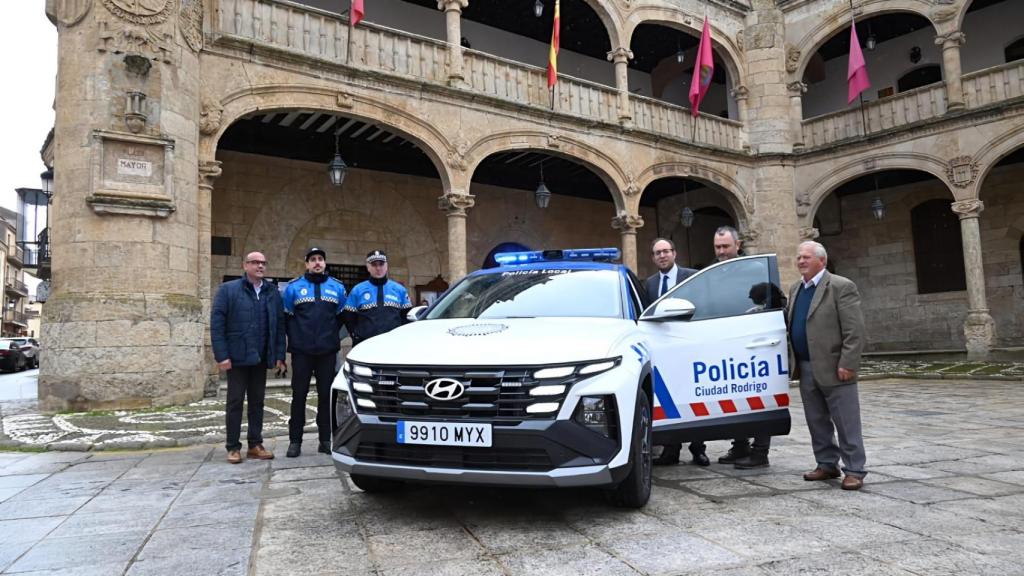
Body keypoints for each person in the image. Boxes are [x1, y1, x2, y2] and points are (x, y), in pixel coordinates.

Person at [788, 241, 867, 490]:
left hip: (835, 366)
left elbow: (855, 330)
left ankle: (854, 469)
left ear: (821, 260)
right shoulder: (795, 289)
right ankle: (826, 463)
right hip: (806, 366)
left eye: (806, 257)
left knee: (846, 420)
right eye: (799, 257)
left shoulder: (840, 286)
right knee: (816, 419)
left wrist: (848, 362)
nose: (801, 261)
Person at [210, 251, 286, 464]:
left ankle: (255, 444)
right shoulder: (228, 290)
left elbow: (279, 326)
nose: (260, 266)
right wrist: (222, 355)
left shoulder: (272, 292)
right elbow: (217, 325)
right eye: (255, 262)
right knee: (234, 402)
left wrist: (279, 354)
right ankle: (233, 447)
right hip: (237, 358)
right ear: (245, 266)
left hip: (261, 357)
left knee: (257, 402)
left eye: (263, 263)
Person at [709, 226, 773, 469]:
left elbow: (768, 302)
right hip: (726, 342)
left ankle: (760, 452)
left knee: (758, 398)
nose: (722, 251)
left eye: (726, 246)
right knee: (734, 397)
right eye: (718, 247)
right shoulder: (713, 270)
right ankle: (740, 446)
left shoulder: (755, 269)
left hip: (753, 343)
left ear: (738, 245)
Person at [644, 238, 708, 467]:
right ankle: (671, 451)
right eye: (657, 253)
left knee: (694, 397)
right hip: (663, 351)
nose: (662, 256)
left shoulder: (691, 276)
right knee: (669, 400)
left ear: (674, 253)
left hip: (689, 347)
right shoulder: (650, 284)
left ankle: (698, 449)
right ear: (653, 258)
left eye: (666, 251)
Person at [282, 247, 347, 458]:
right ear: (306, 264)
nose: (317, 263)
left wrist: (329, 338)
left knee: (326, 397)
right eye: (313, 260)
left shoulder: (337, 288)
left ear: (325, 263)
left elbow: (341, 318)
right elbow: (287, 319)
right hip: (301, 353)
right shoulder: (293, 288)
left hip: (327, 353)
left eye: (320, 259)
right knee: (298, 396)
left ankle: (325, 439)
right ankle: (295, 441)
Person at [343, 250, 413, 345]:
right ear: (368, 267)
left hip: (393, 345)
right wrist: (356, 336)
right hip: (364, 345)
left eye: (381, 264)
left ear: (386, 266)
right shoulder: (357, 290)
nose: (378, 268)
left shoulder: (399, 290)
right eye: (374, 265)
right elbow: (349, 317)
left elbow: (407, 316)